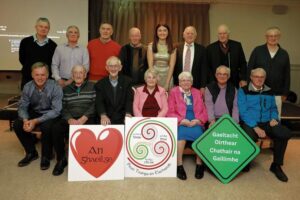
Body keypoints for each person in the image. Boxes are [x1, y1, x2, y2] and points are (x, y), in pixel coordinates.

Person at [238, 68, 292, 182]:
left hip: (268, 122)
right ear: (251, 78)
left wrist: (274, 118)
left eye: (261, 77)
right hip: (251, 122)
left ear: (264, 78)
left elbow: (273, 108)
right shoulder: (243, 91)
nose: (259, 79)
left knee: (284, 133)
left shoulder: (270, 91)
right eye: (256, 77)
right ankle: (245, 160)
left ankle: (276, 165)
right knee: (249, 136)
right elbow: (243, 111)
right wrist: (255, 127)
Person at [13, 62, 63, 170]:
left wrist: (35, 121)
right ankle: (31, 152)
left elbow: (56, 110)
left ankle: (46, 156)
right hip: (35, 111)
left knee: (46, 126)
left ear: (47, 75)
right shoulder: (27, 86)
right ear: (32, 75)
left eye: (43, 74)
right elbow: (22, 106)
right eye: (37, 74)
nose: (40, 77)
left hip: (51, 113)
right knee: (17, 124)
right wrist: (26, 120)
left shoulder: (55, 86)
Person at [51, 65, 96, 176]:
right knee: (56, 129)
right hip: (71, 117)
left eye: (81, 72)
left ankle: (90, 160)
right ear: (72, 75)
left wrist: (85, 117)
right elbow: (63, 107)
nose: (78, 75)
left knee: (96, 128)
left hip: (88, 117)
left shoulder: (93, 86)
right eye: (75, 72)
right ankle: (61, 160)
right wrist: (69, 118)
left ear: (85, 75)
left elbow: (96, 104)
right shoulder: (65, 89)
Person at [167, 72, 208, 180]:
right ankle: (179, 165)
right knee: (181, 135)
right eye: (183, 80)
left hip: (195, 121)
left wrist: (198, 120)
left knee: (200, 135)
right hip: (181, 121)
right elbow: (170, 111)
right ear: (179, 82)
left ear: (192, 82)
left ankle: (199, 164)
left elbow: (204, 110)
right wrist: (181, 120)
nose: (186, 82)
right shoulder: (173, 92)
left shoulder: (197, 92)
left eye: (188, 80)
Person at [248, 26, 290, 117]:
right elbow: (249, 70)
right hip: (258, 92)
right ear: (266, 37)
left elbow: (287, 75)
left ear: (279, 37)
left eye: (276, 36)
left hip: (277, 93)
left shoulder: (284, 54)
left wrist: (285, 93)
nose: (273, 38)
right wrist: (249, 89)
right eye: (270, 36)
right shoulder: (257, 51)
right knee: (259, 117)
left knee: (275, 120)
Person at [19, 17, 57, 89]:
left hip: (46, 81)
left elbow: (53, 63)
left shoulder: (53, 45)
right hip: (28, 79)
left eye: (46, 27)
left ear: (49, 29)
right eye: (41, 26)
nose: (43, 29)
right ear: (36, 27)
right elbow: (22, 59)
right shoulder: (25, 42)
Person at [206, 24, 247, 88]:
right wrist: (212, 81)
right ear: (217, 35)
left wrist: (243, 79)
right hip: (215, 83)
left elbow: (243, 64)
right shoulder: (210, 48)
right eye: (220, 34)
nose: (222, 35)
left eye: (224, 33)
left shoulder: (237, 46)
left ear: (228, 34)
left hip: (234, 82)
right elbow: (208, 67)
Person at [95, 56, 133, 125]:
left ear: (120, 68)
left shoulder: (127, 81)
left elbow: (129, 100)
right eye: (111, 66)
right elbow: (99, 101)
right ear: (107, 68)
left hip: (123, 117)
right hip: (107, 118)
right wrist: (103, 115)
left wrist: (128, 113)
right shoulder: (100, 84)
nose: (113, 69)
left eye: (116, 66)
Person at [174, 26, 207, 92]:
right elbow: (173, 67)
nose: (190, 35)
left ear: (195, 36)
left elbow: (204, 69)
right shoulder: (176, 48)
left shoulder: (202, 49)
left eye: (192, 33)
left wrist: (203, 86)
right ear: (183, 35)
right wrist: (174, 83)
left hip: (195, 85)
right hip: (178, 84)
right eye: (188, 33)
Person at [147, 24, 176, 91]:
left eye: (164, 30)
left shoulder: (173, 47)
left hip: (167, 75)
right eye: (159, 31)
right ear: (156, 33)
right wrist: (153, 79)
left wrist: (167, 83)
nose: (162, 33)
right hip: (154, 75)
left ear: (168, 32)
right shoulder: (151, 46)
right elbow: (150, 65)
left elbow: (172, 66)